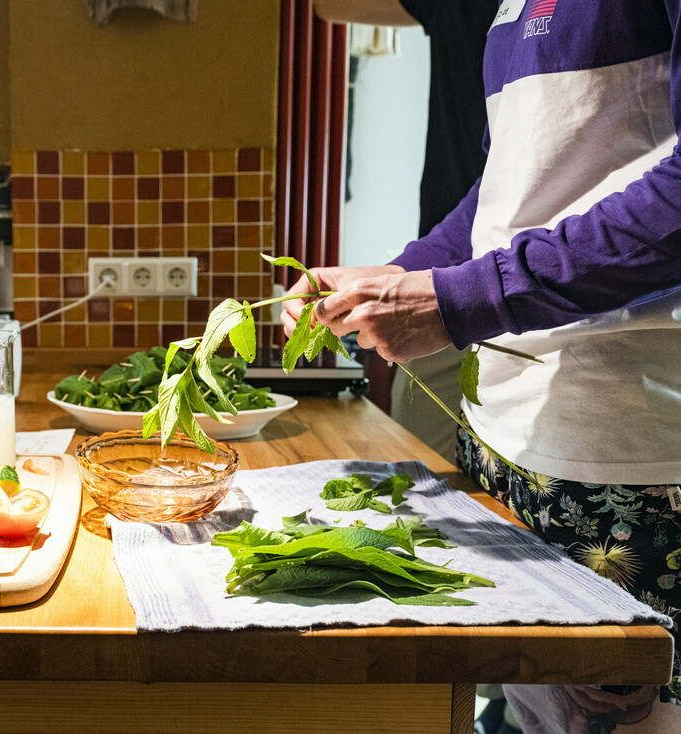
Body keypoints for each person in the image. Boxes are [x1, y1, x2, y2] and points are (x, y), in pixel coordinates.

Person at [285, 1, 681, 732]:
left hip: (633, 453)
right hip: (512, 438)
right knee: (532, 705)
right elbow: (508, 188)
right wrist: (403, 272)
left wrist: (458, 300)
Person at [314, 0, 499, 466]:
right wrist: (400, 270)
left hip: (564, 300)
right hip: (445, 270)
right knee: (422, 485)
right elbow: (328, 4)